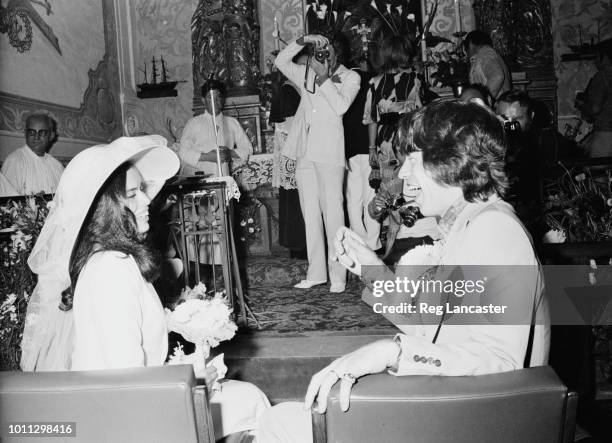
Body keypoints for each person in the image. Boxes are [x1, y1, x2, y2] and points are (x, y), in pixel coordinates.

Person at [258, 99, 550, 442]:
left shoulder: (495, 231)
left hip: (470, 423)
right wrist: (371, 268)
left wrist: (393, 351)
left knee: (280, 424)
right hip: (453, 408)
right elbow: (429, 325)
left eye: (412, 160)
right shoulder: (470, 224)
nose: (403, 174)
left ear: (450, 160)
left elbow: (500, 363)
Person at [20, 136, 269, 442]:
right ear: (106, 207)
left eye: (142, 190)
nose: (146, 201)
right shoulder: (111, 269)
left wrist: (181, 332)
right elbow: (126, 385)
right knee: (251, 401)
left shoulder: (110, 259)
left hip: (128, 404)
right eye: (133, 194)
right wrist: (194, 378)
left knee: (244, 397)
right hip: (124, 423)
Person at [275, 32, 361, 293]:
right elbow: (280, 61)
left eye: (327, 50)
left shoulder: (351, 77)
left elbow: (341, 107)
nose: (320, 55)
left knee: (333, 214)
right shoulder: (305, 74)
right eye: (318, 51)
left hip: (330, 154)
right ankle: (316, 273)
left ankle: (338, 276)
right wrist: (304, 40)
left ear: (337, 54)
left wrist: (324, 78)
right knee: (310, 215)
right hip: (305, 152)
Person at [270, 51, 309, 259]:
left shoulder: (296, 89)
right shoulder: (288, 92)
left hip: (297, 156)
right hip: (295, 158)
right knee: (297, 205)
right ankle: (300, 248)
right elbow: (289, 130)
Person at [178, 78, 253, 177]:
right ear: (203, 101)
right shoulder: (194, 123)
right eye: (210, 97)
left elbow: (248, 149)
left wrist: (230, 153)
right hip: (200, 179)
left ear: (222, 99)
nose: (215, 101)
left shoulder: (232, 123)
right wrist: (207, 157)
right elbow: (183, 151)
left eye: (218, 97)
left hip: (225, 178)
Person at [343, 56, 381, 251]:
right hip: (369, 145)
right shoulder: (373, 81)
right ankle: (373, 242)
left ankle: (359, 240)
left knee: (353, 199)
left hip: (349, 147)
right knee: (372, 195)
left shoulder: (343, 79)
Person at [1, 113, 64, 195]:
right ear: (25, 133)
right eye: (32, 132)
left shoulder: (57, 166)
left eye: (42, 132)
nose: (36, 137)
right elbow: (7, 203)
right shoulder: (15, 162)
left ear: (51, 135)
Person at [575, 38, 612, 158]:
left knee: (598, 173)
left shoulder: (602, 77)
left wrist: (582, 105)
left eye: (596, 57)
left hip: (606, 133)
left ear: (605, 56)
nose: (594, 61)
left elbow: (595, 108)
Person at [464, 30, 511, 99]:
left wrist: (484, 102)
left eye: (466, 49)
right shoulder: (488, 53)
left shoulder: (485, 53)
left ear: (470, 44)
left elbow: (497, 76)